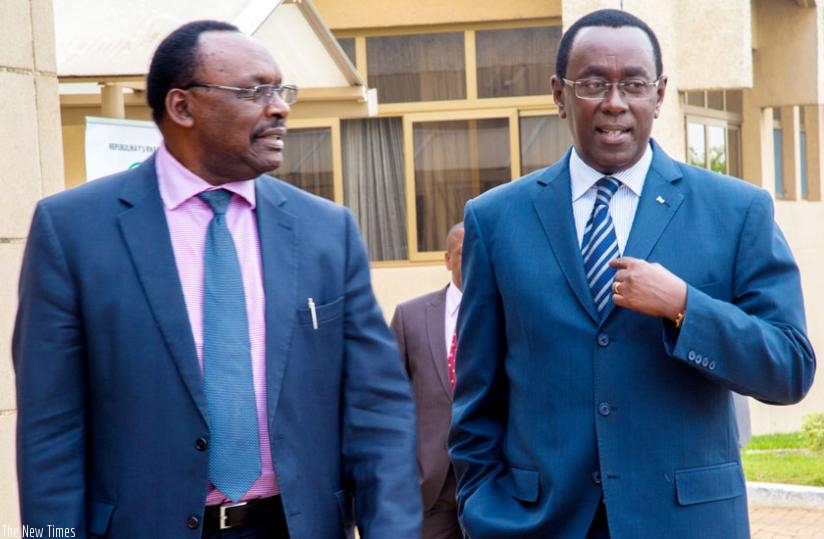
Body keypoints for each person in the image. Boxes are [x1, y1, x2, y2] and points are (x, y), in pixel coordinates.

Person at [13, 20, 421, 539]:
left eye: (280, 90)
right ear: (182, 107)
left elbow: (377, 412)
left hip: (296, 526)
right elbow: (51, 429)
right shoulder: (72, 230)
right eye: (254, 92)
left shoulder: (327, 231)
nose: (279, 108)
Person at [448, 8, 816, 539]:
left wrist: (686, 306)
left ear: (660, 95)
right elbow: (476, 403)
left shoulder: (736, 212)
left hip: (684, 524)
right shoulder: (496, 219)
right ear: (559, 93)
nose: (615, 103)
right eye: (594, 83)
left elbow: (790, 369)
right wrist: (480, 511)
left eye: (634, 84)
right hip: (539, 523)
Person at [390, 222, 465, 539]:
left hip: (492, 484)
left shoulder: (507, 313)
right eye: (463, 253)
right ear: (447, 259)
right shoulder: (410, 317)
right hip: (429, 489)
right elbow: (388, 404)